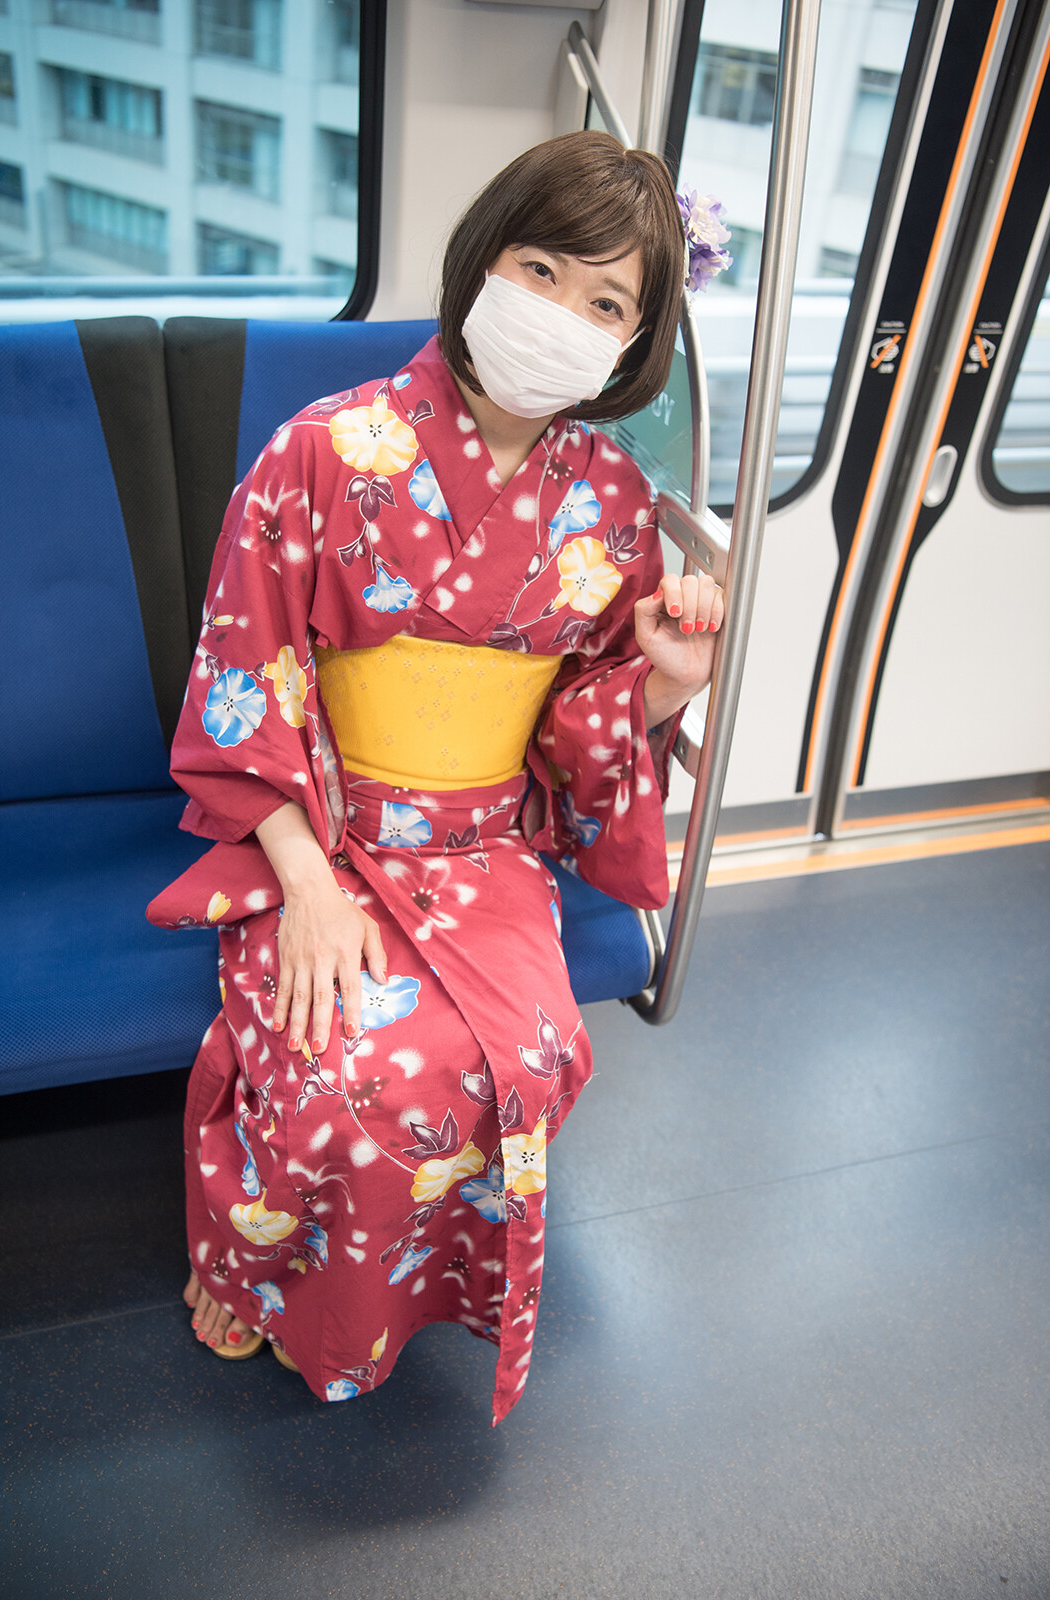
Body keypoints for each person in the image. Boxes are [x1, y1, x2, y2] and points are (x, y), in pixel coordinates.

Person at [149, 130, 726, 1426]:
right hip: (328, 826)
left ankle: (415, 1289)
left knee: (531, 1056)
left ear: (633, 345)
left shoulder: (613, 504)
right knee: (341, 1070)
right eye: (542, 270)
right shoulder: (322, 450)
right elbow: (246, 678)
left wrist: (665, 682)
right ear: (482, 262)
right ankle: (258, 1266)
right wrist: (306, 883)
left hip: (482, 845)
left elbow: (574, 734)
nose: (563, 314)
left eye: (607, 303)